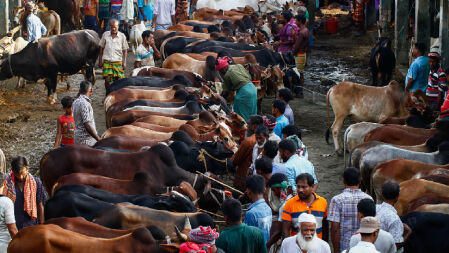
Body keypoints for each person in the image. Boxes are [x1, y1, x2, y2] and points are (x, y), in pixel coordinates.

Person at [327, 167, 373, 253]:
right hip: (364, 247)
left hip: (344, 248)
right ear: (360, 181)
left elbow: (334, 229)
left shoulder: (337, 200)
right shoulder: (369, 199)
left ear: (343, 181)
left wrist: (336, 251)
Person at [1, 157, 46, 230]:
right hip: (12, 227)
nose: (20, 177)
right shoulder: (6, 184)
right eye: (17, 174)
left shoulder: (36, 182)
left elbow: (40, 205)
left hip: (30, 226)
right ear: (12, 171)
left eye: (22, 174)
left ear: (27, 169)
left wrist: (42, 226)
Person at [281, 173, 328, 240]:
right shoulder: (289, 204)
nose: (300, 190)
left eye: (304, 187)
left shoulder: (322, 202)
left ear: (312, 187)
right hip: (297, 247)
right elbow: (285, 230)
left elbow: (325, 228)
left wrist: (325, 245)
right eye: (298, 187)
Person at [215, 57, 257, 122]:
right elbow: (248, 76)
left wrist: (220, 98)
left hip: (244, 92)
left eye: (220, 71)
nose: (220, 73)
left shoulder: (227, 75)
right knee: (252, 111)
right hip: (252, 88)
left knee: (240, 116)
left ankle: (244, 129)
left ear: (223, 69)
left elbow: (226, 92)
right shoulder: (239, 65)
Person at [376, 180, 411, 250]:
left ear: (382, 194)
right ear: (397, 196)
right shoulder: (395, 219)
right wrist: (408, 232)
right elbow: (395, 248)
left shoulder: (374, 208)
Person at [232, 115, 264, 189]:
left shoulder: (249, 141)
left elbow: (235, 160)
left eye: (248, 124)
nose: (247, 126)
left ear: (254, 126)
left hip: (244, 178)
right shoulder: (266, 138)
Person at [266, 173, 293, 252]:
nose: (274, 193)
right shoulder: (294, 197)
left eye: (274, 190)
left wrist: (266, 245)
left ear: (280, 188)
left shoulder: (284, 206)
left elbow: (279, 232)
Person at [98, 19, 129, 89]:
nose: (113, 28)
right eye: (112, 27)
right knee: (107, 81)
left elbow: (125, 50)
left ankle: (116, 95)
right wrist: (100, 61)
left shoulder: (122, 36)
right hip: (107, 61)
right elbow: (101, 49)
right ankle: (108, 93)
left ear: (118, 26)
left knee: (118, 81)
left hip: (117, 61)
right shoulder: (105, 34)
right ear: (109, 27)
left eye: (115, 27)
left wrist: (124, 62)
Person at [244, 175, 272, 243]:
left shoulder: (251, 213)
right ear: (264, 189)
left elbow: (247, 237)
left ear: (248, 191)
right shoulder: (268, 208)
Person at [72, 81, 101, 146]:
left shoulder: (75, 102)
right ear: (90, 90)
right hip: (86, 140)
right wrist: (98, 139)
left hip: (78, 137)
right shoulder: (84, 103)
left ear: (80, 90)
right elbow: (87, 124)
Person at [292, 14, 309, 97]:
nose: (295, 22)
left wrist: (293, 54)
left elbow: (297, 46)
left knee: (297, 74)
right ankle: (300, 91)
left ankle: (299, 92)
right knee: (301, 73)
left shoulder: (302, 32)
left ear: (300, 21)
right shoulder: (305, 30)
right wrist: (294, 35)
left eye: (296, 20)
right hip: (303, 54)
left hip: (299, 54)